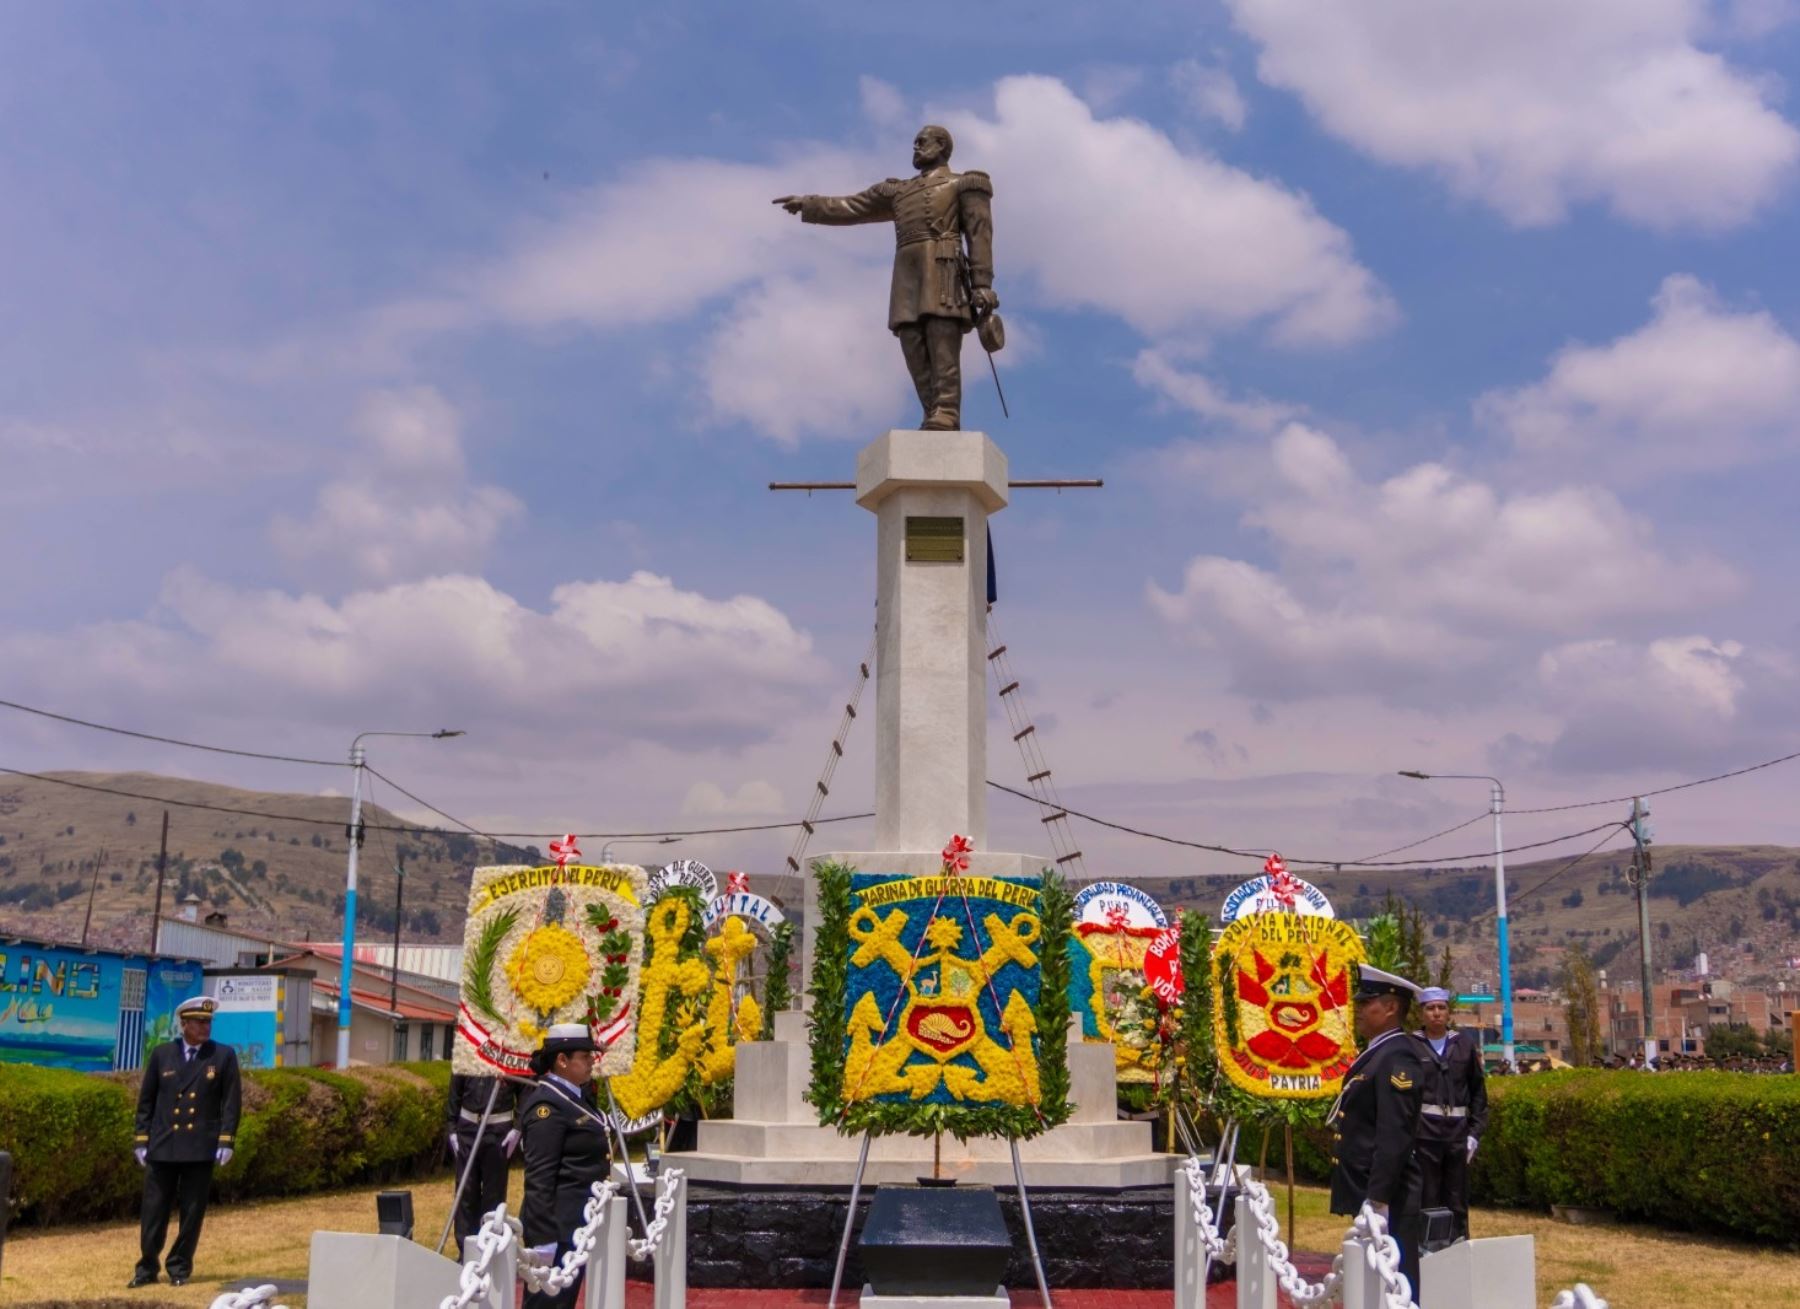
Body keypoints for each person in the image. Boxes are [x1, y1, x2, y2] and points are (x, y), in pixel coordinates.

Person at [774, 124, 999, 432]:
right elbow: (852, 206)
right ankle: (931, 409)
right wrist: (809, 204)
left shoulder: (964, 184)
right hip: (907, 271)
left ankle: (946, 411)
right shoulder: (899, 191)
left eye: (923, 142)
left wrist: (982, 283)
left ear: (943, 147)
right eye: (914, 143)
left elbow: (979, 233)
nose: (916, 148)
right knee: (911, 340)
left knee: (941, 340)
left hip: (943, 267)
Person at [129, 995, 241, 1289]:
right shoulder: (162, 1054)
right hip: (163, 1145)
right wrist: (142, 1139)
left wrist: (226, 1140)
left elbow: (231, 1102)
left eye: (208, 1022)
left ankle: (179, 1266)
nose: (205, 1027)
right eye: (199, 1022)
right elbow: (147, 1101)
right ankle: (147, 1267)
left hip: (199, 1147)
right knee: (154, 1210)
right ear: (184, 1024)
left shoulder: (222, 1056)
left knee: (192, 1212)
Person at [1327, 965, 1425, 1302]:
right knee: (1371, 1281)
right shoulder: (1378, 1053)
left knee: (1397, 1282)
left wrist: (1379, 1196)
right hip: (1370, 1189)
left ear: (1391, 1007)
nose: (1359, 1010)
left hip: (1389, 1195)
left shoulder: (1398, 1055)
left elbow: (1394, 1133)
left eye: (1368, 1003)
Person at [520, 1023, 613, 1309]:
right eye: (584, 1057)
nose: (591, 1062)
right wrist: (543, 1240)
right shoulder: (547, 1106)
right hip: (557, 1228)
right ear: (562, 1061)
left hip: (577, 1224)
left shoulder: (574, 1097)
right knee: (548, 1304)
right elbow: (539, 1178)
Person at [1412, 986, 1488, 1241]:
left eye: (1441, 1008)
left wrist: (1474, 1133)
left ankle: (1459, 1247)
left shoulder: (1463, 1045)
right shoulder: (1412, 1046)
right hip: (1424, 1134)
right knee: (1427, 1197)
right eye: (1430, 1008)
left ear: (1448, 1012)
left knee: (1457, 1199)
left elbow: (1478, 1092)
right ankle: (1428, 1250)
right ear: (1421, 1013)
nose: (1436, 1013)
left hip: (1457, 1135)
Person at [446, 1072, 523, 1259]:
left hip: (498, 1131)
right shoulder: (472, 1049)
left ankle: (489, 1246)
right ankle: (465, 1250)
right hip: (468, 1129)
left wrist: (518, 1128)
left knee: (493, 1194)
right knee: (466, 1191)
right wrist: (451, 1126)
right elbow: (455, 1089)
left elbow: (524, 1091)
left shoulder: (511, 1052)